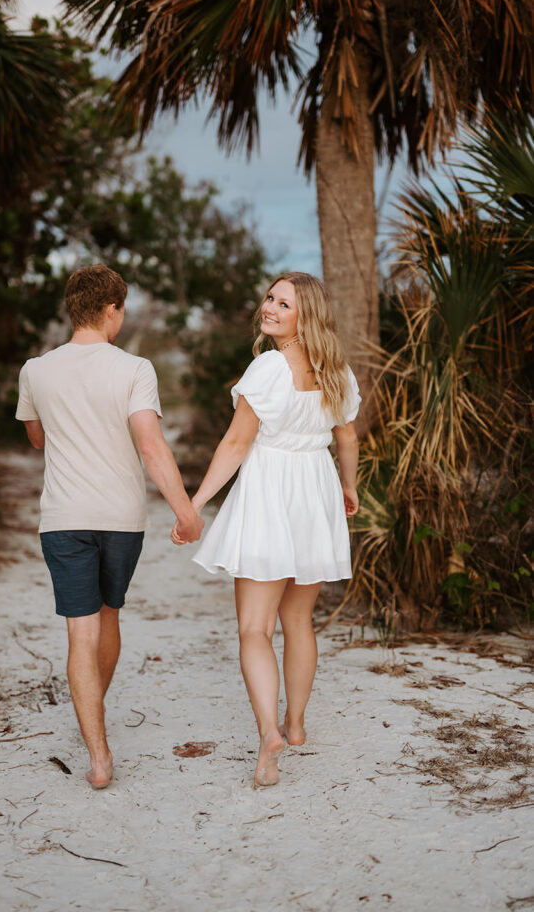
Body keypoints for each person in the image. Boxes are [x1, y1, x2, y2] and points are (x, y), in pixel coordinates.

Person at [16, 264, 203, 790]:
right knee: (108, 613)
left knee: (80, 630)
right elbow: (150, 444)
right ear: (112, 309)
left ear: (73, 308)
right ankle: (93, 715)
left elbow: (36, 438)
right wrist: (184, 509)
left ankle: (98, 755)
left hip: (64, 518)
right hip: (121, 519)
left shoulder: (36, 369)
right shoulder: (135, 368)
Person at [172, 272, 360, 788]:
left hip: (271, 490)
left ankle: (269, 736)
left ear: (307, 316)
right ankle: (295, 725)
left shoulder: (268, 368)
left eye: (284, 303)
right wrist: (349, 488)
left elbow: (235, 445)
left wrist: (195, 503)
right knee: (298, 621)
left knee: (255, 629)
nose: (270, 308)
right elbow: (346, 438)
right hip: (315, 490)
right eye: (270, 298)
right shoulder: (336, 372)